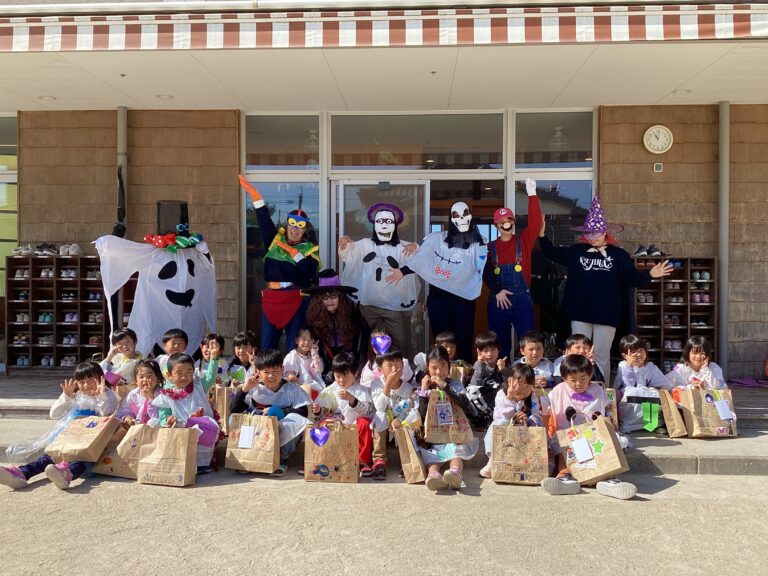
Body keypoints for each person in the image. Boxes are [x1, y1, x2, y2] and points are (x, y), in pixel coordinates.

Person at [538, 195, 673, 381]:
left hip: (607, 313)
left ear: (605, 233)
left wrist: (650, 274)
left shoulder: (619, 255)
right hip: (579, 311)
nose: (593, 236)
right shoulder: (576, 251)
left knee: (601, 355)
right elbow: (551, 252)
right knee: (578, 353)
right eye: (589, 233)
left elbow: (631, 278)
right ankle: (576, 386)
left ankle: (603, 391)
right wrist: (542, 236)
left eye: (597, 233)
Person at [1, 362, 119, 491]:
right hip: (70, 434)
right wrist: (66, 397)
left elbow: (106, 416)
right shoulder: (77, 396)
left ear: (101, 378)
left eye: (91, 379)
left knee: (81, 458)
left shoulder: (109, 395)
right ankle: (21, 473)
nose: (86, 385)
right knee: (49, 458)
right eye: (81, 381)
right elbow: (54, 414)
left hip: (92, 440)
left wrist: (100, 396)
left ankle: (66, 473)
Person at [240, 176, 321, 351]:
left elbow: (310, 273)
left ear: (304, 229)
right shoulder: (274, 242)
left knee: (295, 345)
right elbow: (264, 222)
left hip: (296, 298)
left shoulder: (309, 249)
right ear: (287, 224)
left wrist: (297, 255)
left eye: (300, 225)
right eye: (292, 223)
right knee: (268, 344)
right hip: (272, 298)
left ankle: (295, 377)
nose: (295, 228)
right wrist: (256, 198)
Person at [541, 354, 636, 500]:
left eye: (583, 379)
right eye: (573, 380)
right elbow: (550, 414)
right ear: (564, 378)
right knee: (562, 446)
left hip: (593, 435)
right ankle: (565, 477)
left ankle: (609, 481)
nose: (578, 384)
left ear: (590, 376)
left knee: (608, 443)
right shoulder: (558, 391)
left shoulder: (597, 390)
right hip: (569, 435)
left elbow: (604, 415)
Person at [407, 201, 488, 362]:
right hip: (438, 300)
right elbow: (423, 262)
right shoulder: (438, 239)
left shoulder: (479, 242)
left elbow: (485, 268)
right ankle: (439, 372)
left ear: (471, 216)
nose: (461, 218)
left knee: (464, 340)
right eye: (456, 215)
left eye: (464, 214)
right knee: (441, 341)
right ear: (450, 218)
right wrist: (402, 271)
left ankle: (464, 376)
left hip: (464, 301)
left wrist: (498, 288)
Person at [338, 201, 420, 357]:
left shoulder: (403, 247)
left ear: (395, 225)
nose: (384, 225)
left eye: (388, 221)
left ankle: (401, 373)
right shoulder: (365, 245)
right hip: (368, 305)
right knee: (365, 342)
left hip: (393, 306)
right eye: (380, 221)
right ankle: (366, 373)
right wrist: (345, 241)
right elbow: (347, 253)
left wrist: (416, 246)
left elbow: (421, 261)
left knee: (400, 342)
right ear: (374, 224)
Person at [484, 177, 543, 360]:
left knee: (527, 342)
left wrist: (532, 195)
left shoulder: (524, 242)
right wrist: (497, 290)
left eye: (508, 220)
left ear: (514, 222)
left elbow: (535, 222)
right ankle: (500, 379)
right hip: (498, 300)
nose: (505, 224)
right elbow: (485, 273)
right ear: (496, 225)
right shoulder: (489, 247)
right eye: (501, 222)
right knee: (498, 344)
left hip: (521, 301)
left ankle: (525, 378)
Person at [230, 349, 312, 476]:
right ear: (258, 372)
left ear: (282, 369)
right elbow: (234, 410)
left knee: (298, 422)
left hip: (281, 434)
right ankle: (247, 459)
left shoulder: (291, 389)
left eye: (275, 371)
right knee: (234, 420)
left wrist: (281, 411)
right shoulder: (254, 389)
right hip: (258, 432)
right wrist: (245, 388)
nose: (271, 376)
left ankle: (282, 460)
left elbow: (303, 412)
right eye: (266, 372)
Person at [416, 346, 478, 492]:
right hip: (433, 433)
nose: (439, 372)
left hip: (453, 431)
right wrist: (424, 392)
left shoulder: (454, 383)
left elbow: (465, 404)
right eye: (434, 368)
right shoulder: (425, 387)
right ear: (427, 368)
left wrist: (444, 386)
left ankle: (455, 473)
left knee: (456, 451)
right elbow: (422, 414)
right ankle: (433, 475)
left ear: (449, 366)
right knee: (432, 454)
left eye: (443, 366)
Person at [152, 348, 220, 472]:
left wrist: (214, 359)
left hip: (202, 428)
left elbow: (210, 378)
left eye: (189, 372)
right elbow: (163, 417)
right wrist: (169, 420)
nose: (184, 377)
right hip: (180, 430)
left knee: (202, 445)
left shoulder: (198, 386)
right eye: (179, 373)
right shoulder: (166, 395)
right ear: (169, 375)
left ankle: (202, 465)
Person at [310, 352, 376, 477]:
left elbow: (365, 411)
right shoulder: (332, 389)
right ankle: (323, 458)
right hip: (338, 423)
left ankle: (364, 461)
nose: (341, 380)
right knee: (323, 425)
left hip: (356, 424)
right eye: (338, 376)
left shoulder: (361, 390)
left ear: (355, 373)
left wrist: (351, 398)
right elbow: (323, 411)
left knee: (365, 424)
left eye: (345, 375)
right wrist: (318, 410)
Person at [480, 363, 543, 478]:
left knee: (539, 427)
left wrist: (525, 420)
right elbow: (503, 416)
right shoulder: (501, 395)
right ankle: (492, 460)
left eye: (527, 386)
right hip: (504, 431)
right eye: (520, 384)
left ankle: (539, 463)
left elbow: (536, 416)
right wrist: (510, 399)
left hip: (524, 431)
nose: (523, 390)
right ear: (510, 381)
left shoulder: (532, 397)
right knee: (498, 423)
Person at [305, 269, 369, 378]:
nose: (330, 301)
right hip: (326, 364)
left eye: (333, 296)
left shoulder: (353, 314)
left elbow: (362, 343)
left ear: (340, 297)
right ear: (320, 300)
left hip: (350, 360)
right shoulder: (314, 317)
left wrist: (359, 369)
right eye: (325, 298)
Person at [369, 345, 418, 480]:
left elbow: (407, 409)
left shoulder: (407, 388)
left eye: (398, 364)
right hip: (383, 424)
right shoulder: (376, 384)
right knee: (380, 416)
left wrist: (399, 419)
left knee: (410, 418)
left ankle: (406, 460)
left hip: (397, 426)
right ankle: (379, 460)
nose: (395, 369)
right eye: (389, 365)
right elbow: (380, 407)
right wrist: (387, 386)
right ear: (380, 369)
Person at [614, 335, 673, 433]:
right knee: (631, 392)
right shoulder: (623, 366)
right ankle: (631, 424)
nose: (638, 354)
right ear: (625, 356)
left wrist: (653, 389)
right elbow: (628, 385)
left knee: (655, 394)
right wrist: (630, 365)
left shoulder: (651, 367)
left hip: (648, 402)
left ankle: (651, 423)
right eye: (633, 352)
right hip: (628, 404)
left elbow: (665, 385)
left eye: (641, 350)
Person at [466, 331, 506, 429]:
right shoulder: (478, 366)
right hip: (481, 405)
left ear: (498, 350)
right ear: (479, 352)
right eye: (485, 351)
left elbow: (509, 385)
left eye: (493, 349)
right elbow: (474, 386)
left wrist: (503, 370)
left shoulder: (502, 365)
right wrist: (480, 364)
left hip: (496, 404)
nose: (489, 354)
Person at [117, 359, 163, 425]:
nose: (145, 380)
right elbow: (125, 410)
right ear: (136, 380)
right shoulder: (133, 395)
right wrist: (127, 417)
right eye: (141, 377)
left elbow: (159, 417)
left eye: (149, 376)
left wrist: (151, 397)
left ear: (158, 378)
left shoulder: (162, 395)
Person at [282, 325, 326, 395]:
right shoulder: (292, 356)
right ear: (297, 340)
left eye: (310, 339)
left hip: (317, 387)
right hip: (301, 389)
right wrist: (291, 375)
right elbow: (288, 372)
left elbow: (320, 369)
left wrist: (314, 353)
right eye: (304, 339)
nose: (306, 342)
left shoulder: (312, 355)